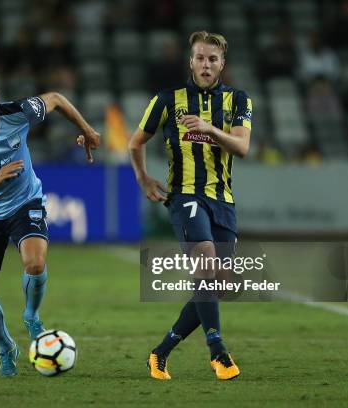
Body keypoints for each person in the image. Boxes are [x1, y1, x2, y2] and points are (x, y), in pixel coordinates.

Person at [0, 69, 100, 376]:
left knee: (35, 263)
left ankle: (32, 316)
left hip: (25, 202)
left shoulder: (17, 113)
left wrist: (88, 130)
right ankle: (6, 348)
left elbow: (54, 98)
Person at [129, 31, 252, 381]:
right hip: (185, 197)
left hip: (223, 202)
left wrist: (210, 130)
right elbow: (135, 143)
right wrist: (143, 178)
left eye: (212, 59)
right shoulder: (167, 100)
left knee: (216, 284)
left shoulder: (239, 100)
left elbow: (241, 147)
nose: (206, 64)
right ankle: (219, 352)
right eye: (200, 57)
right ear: (191, 61)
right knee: (206, 262)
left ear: (222, 64)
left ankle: (160, 352)